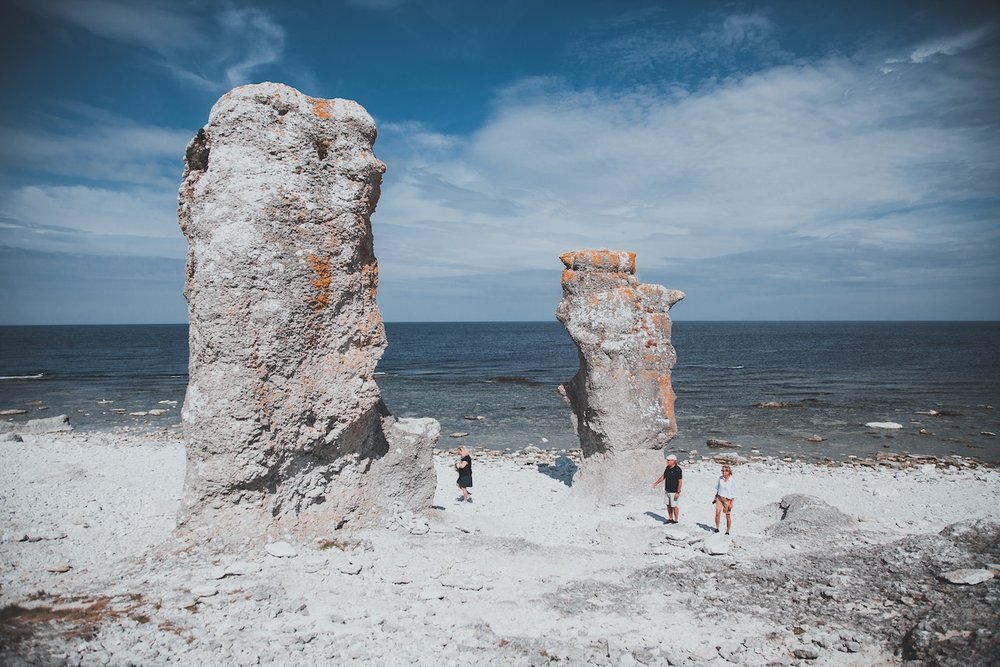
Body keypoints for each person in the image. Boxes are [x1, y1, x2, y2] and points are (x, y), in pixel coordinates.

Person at [651, 454, 683, 523]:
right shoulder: (667, 468)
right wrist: (656, 483)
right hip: (667, 490)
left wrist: (678, 492)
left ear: (673, 461)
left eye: (668, 460)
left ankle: (676, 520)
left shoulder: (678, 470)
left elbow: (680, 481)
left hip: (674, 491)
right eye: (667, 460)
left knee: (674, 506)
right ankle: (670, 518)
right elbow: (663, 476)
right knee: (668, 505)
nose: (667, 461)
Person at [713, 464, 736, 535]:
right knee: (717, 513)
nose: (723, 472)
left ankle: (727, 530)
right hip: (719, 498)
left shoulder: (732, 480)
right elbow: (718, 488)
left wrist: (732, 503)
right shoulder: (720, 478)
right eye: (722, 471)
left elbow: (734, 493)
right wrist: (715, 497)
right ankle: (717, 528)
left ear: (728, 472)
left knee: (727, 515)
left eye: (724, 471)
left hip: (727, 500)